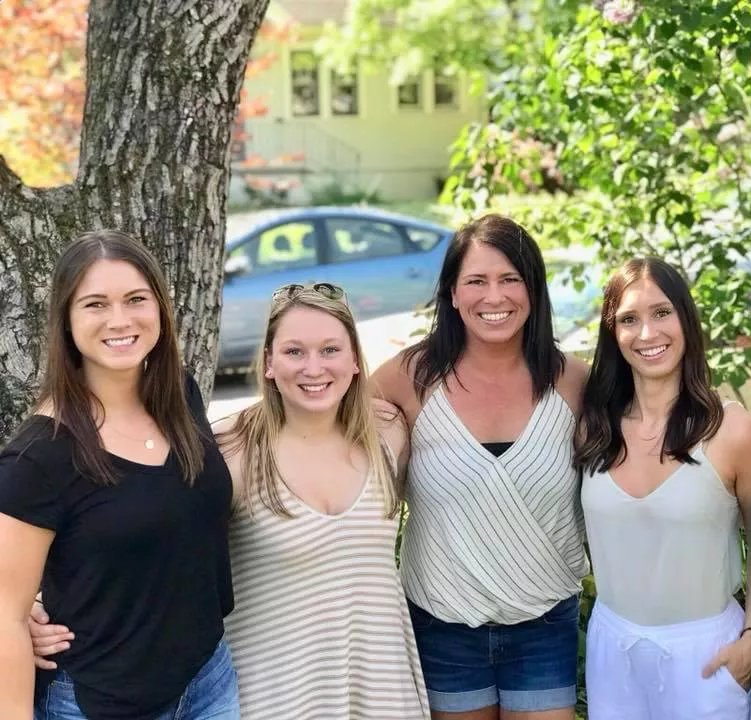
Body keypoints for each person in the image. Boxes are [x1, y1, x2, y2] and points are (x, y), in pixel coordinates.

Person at [31, 282, 431, 720]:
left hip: (380, 686)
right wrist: (30, 603)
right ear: (269, 363)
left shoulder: (388, 433)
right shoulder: (230, 451)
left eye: (330, 350)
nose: (313, 368)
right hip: (276, 691)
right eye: (294, 352)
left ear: (355, 360)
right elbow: (145, 532)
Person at [0, 230, 237, 720]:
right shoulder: (40, 457)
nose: (120, 320)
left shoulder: (180, 397)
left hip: (208, 681)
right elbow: (5, 613)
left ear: (160, 308)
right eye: (95, 304)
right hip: (102, 702)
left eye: (136, 299)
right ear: (66, 321)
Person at [372, 214, 590, 720]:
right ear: (451, 293)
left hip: (543, 620)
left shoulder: (574, 381)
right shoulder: (407, 379)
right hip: (442, 624)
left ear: (533, 290)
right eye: (476, 281)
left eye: (510, 279)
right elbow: (324, 430)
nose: (494, 297)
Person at [574, 257, 751, 719]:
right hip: (613, 646)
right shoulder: (593, 428)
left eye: (662, 313)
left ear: (686, 319)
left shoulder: (734, 432)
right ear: (613, 333)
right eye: (629, 319)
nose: (648, 333)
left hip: (707, 653)